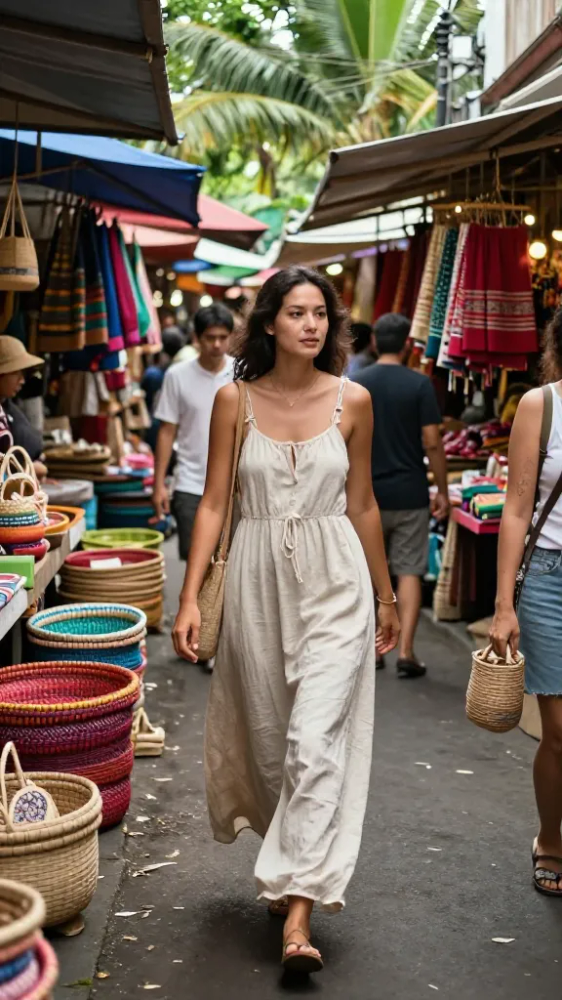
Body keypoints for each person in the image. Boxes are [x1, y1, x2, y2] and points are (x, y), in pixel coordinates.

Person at [172, 266, 400, 973]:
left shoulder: (354, 401)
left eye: (322, 315)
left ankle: (298, 917)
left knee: (312, 740)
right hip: (256, 584)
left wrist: (386, 596)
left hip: (336, 584)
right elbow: (213, 503)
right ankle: (290, 855)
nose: (311, 324)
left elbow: (362, 504)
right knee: (270, 736)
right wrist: (186, 597)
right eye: (296, 312)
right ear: (268, 322)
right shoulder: (232, 399)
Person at [490, 309, 562, 896]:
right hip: (549, 579)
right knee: (560, 730)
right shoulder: (542, 405)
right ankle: (551, 838)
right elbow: (516, 509)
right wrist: (504, 604)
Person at [353, 313, 449, 678]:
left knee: (365, 573)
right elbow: (433, 442)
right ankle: (406, 650)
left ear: (375, 342)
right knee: (409, 571)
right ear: (409, 344)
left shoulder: (356, 383)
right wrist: (441, 489)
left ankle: (372, 649)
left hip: (365, 495)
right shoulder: (420, 384)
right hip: (410, 493)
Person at [152, 303, 234, 564]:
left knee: (232, 564)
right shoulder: (177, 376)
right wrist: (159, 485)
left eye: (223, 338)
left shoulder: (242, 373)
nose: (217, 345)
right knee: (196, 563)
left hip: (236, 486)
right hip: (189, 484)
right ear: (197, 338)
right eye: (210, 338)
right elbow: (166, 432)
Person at [0, 336, 47, 479]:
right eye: (15, 373)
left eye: (23, 374)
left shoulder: (7, 407)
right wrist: (30, 469)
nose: (22, 381)